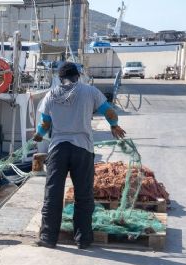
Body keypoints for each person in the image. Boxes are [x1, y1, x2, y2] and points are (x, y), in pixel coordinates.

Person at [33, 62, 126, 249]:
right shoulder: (89, 91)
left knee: (53, 194)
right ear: (78, 76)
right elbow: (109, 111)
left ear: (60, 78)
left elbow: (45, 123)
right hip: (82, 148)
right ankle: (83, 239)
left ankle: (48, 238)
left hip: (58, 149)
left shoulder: (51, 95)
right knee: (83, 196)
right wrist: (114, 125)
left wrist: (39, 135)